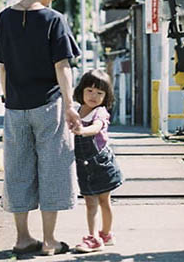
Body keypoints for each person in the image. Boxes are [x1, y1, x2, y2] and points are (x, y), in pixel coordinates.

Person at [0, 0, 81, 257]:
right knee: (53, 169)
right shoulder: (53, 19)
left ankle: (22, 238)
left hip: (15, 107)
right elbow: (62, 66)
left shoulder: (5, 17)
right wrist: (71, 105)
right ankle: (49, 241)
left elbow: (2, 67)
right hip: (48, 106)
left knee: (18, 170)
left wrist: (8, 98)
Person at [71, 69, 124, 253]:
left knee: (104, 201)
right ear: (82, 90)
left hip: (101, 163)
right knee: (90, 202)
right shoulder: (76, 110)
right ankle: (96, 236)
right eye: (90, 91)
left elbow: (96, 128)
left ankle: (103, 234)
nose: (94, 96)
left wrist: (82, 131)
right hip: (83, 165)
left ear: (106, 96)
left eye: (99, 93)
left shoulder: (100, 112)